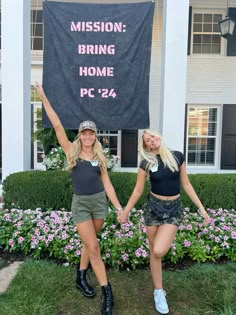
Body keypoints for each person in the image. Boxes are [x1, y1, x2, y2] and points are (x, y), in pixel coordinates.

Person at [34, 82, 122, 315]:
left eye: (91, 133)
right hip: (81, 204)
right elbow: (57, 124)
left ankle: (80, 276)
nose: (87, 136)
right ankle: (107, 292)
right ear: (80, 135)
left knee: (88, 242)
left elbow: (108, 185)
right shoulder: (71, 152)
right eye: (84, 133)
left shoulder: (100, 158)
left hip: (99, 203)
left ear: (95, 136)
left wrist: (119, 207)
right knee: (93, 247)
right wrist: (43, 95)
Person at [118, 129, 209, 315]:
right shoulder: (146, 163)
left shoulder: (177, 156)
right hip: (153, 208)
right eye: (147, 141)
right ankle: (159, 292)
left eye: (152, 136)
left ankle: (159, 290)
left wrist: (201, 208)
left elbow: (186, 184)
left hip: (173, 209)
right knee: (154, 252)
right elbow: (138, 190)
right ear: (146, 147)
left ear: (158, 136)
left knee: (159, 250)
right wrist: (125, 211)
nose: (151, 140)